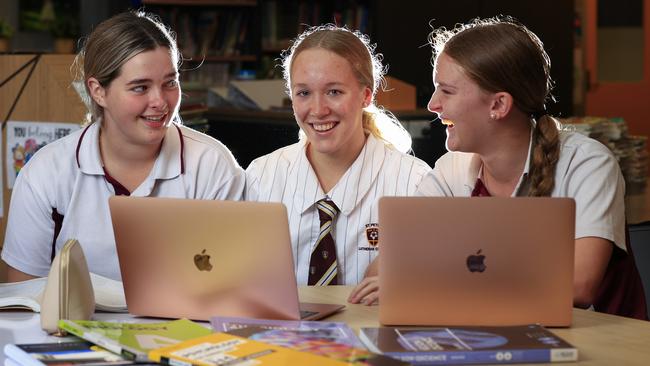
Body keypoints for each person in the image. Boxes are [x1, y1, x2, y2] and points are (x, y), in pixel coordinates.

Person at [351, 16, 647, 318]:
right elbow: (385, 266)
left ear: (498, 105)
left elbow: (579, 287)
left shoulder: (586, 164)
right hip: (503, 337)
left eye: (447, 91)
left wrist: (429, 284)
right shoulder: (452, 170)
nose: (433, 105)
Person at [2, 11, 245, 282]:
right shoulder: (46, 172)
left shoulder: (212, 164)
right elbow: (23, 296)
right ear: (98, 91)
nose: (161, 102)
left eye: (170, 83)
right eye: (140, 88)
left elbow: (230, 284)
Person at [245, 25, 431, 296]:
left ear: (366, 95)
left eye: (334, 92)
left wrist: (408, 288)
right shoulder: (262, 176)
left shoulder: (414, 184)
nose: (318, 110)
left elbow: (437, 291)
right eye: (304, 93)